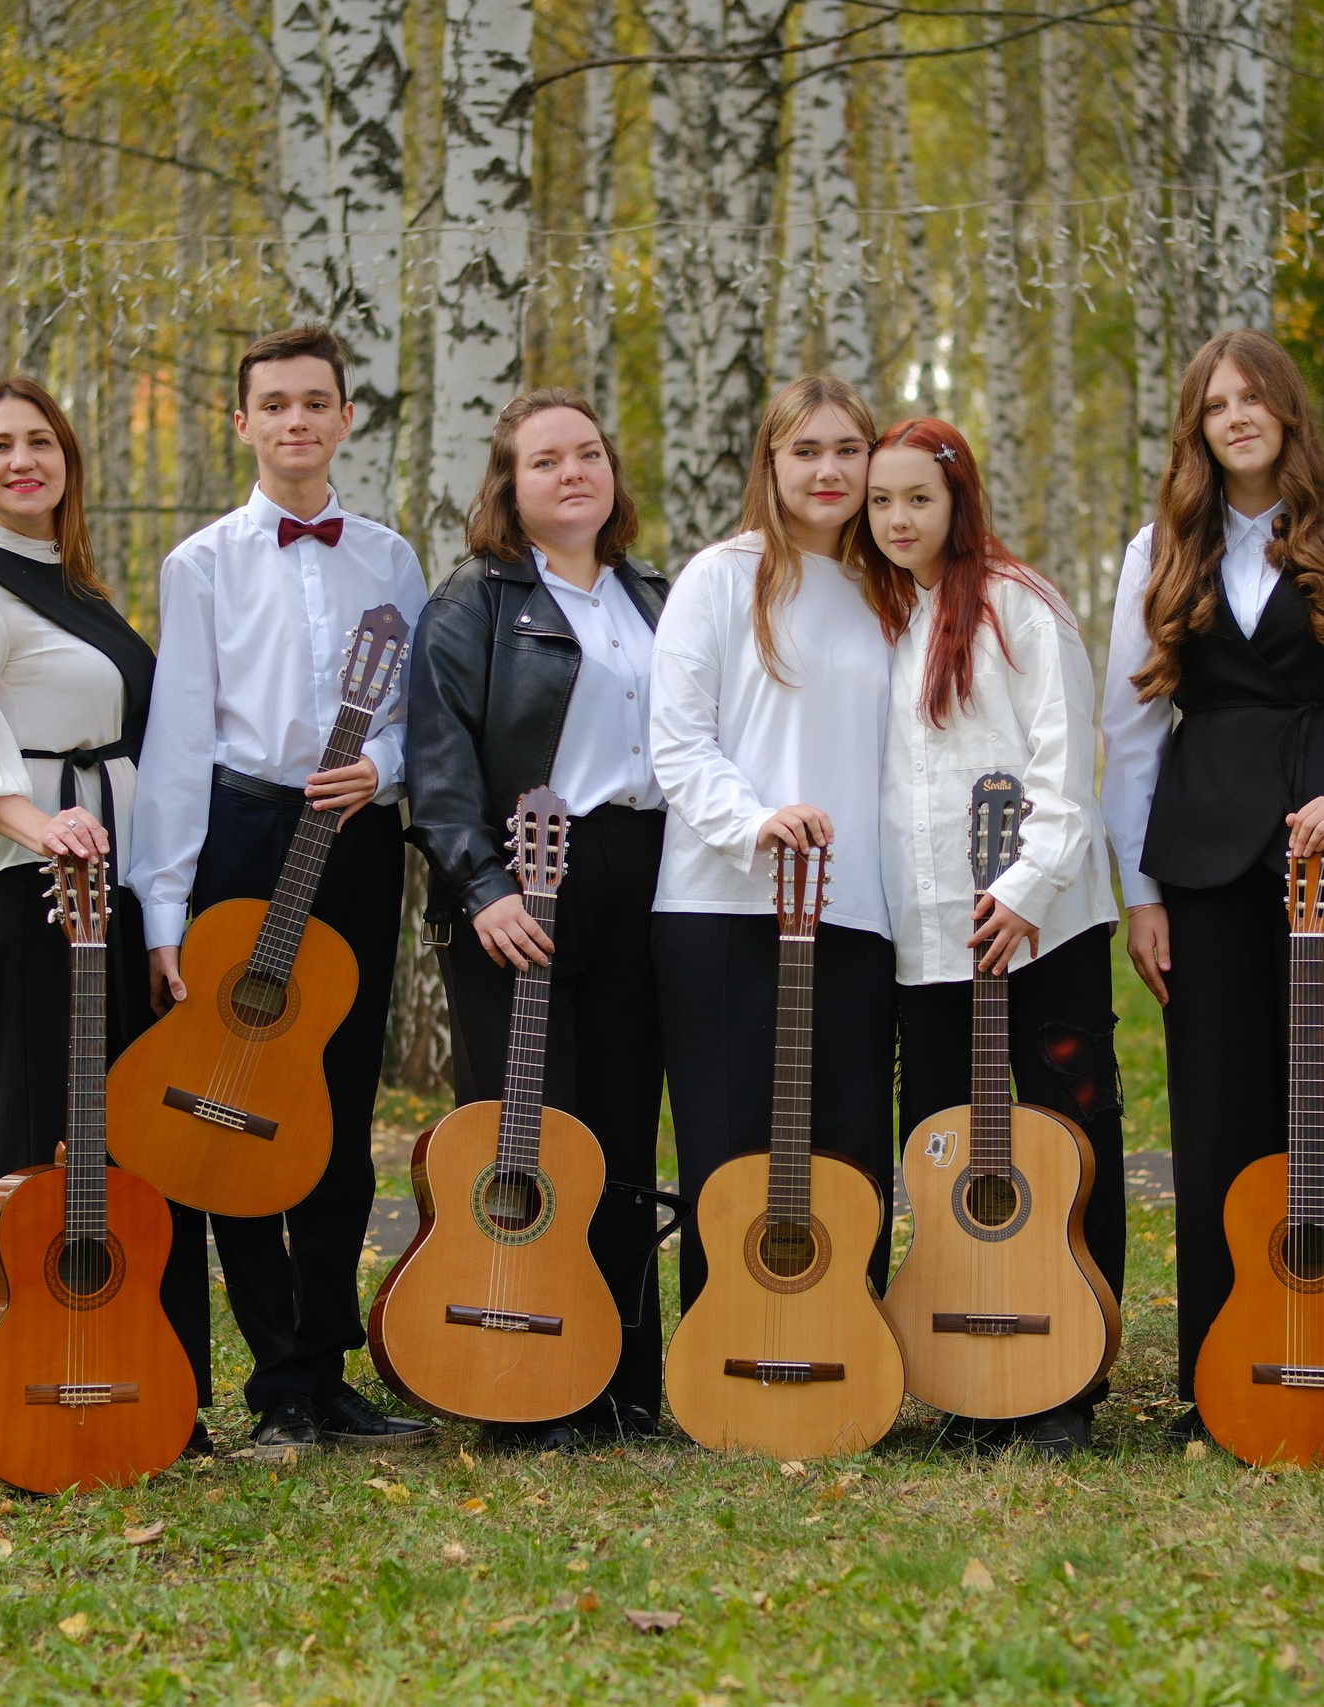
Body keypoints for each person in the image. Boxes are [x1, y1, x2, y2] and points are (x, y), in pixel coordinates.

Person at [1100, 329, 1324, 1442]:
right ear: (1196, 428)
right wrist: (1139, 894)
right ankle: (1223, 1375)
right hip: (1201, 861)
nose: (1236, 417)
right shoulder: (1159, 545)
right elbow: (1131, 730)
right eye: (1214, 404)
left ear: (1289, 414)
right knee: (1222, 1115)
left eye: (1254, 398)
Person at [128, 327, 432, 1453]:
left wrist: (383, 769)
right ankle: (275, 1382)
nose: (298, 422)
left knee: (335, 1111)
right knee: (233, 1108)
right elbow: (175, 743)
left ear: (348, 419)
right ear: (242, 421)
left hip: (352, 836)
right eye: (276, 405)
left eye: (318, 403)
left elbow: (410, 716)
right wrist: (165, 911)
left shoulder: (393, 560)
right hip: (244, 832)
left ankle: (324, 1372)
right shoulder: (201, 563)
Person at [0, 375, 214, 1451]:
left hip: (109, 884)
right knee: (42, 1131)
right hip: (21, 883)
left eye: (40, 442)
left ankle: (161, 1383)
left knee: (135, 1132)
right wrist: (41, 828)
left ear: (69, 463)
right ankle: (32, 1369)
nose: (20, 461)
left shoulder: (74, 587)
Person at [406, 388, 670, 1449]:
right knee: (528, 1141)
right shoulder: (473, 603)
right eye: (546, 460)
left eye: (590, 454)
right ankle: (526, 1384)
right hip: (524, 876)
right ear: (508, 488)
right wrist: (482, 889)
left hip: (642, 873)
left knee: (618, 1136)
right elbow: (436, 764)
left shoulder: (656, 594)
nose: (573, 473)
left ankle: (623, 1384)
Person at [857, 417, 1124, 1456]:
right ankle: (970, 1376)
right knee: (941, 1153)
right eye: (879, 501)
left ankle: (1067, 1379)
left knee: (1067, 1145)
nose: (895, 519)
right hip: (927, 942)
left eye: (915, 498)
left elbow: (1066, 777)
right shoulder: (877, 618)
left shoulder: (1020, 608)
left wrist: (1021, 893)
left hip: (1039, 926)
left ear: (957, 501)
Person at [648, 374, 899, 1307]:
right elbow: (678, 742)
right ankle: (724, 1346)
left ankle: (844, 1342)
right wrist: (757, 823)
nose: (829, 469)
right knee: (731, 1145)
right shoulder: (720, 577)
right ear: (772, 462)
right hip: (724, 905)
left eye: (847, 449)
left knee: (846, 1144)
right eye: (807, 450)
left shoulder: (893, 590)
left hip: (857, 909)